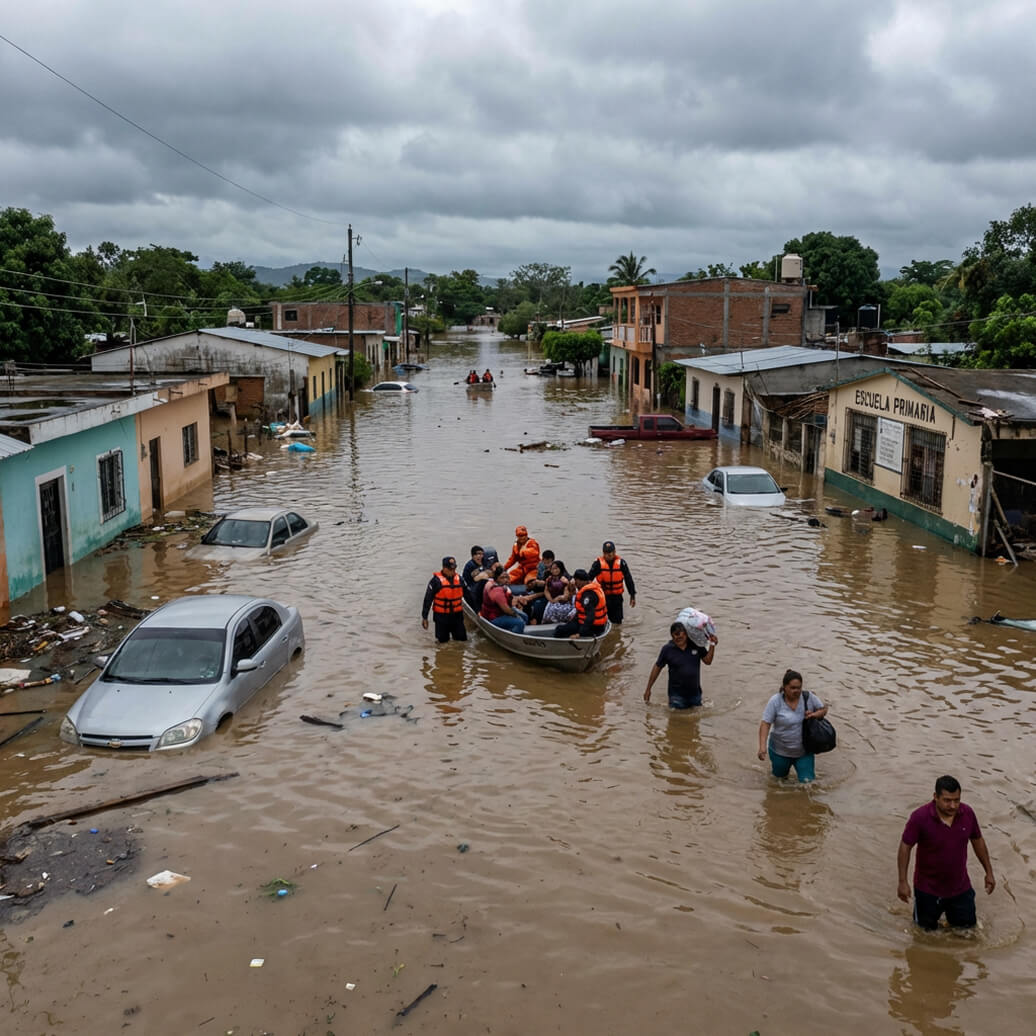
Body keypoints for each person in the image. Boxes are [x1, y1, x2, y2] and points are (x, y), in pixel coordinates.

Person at [897, 775, 996, 931]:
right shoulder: (920, 817)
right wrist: (903, 882)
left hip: (960, 889)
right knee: (924, 936)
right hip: (927, 890)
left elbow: (978, 841)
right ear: (935, 797)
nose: (953, 806)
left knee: (968, 934)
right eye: (947, 800)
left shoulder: (968, 813)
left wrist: (989, 872)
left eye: (957, 800)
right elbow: (905, 846)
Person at [757, 669, 825, 782]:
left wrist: (814, 715)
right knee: (778, 782)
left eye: (799, 688)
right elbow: (765, 724)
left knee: (808, 784)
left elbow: (823, 709)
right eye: (793, 688)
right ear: (784, 687)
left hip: (804, 751)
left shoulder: (808, 697)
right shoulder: (775, 701)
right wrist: (762, 747)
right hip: (780, 751)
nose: (796, 691)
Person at [644, 622, 717, 709]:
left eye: (681, 637)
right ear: (672, 637)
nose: (678, 640)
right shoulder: (667, 649)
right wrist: (648, 689)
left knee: (694, 721)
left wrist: (712, 645)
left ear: (686, 634)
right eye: (675, 638)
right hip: (676, 696)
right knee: (676, 720)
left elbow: (708, 661)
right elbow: (657, 667)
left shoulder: (696, 645)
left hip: (695, 694)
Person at [588, 541, 637, 625]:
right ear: (603, 553)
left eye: (610, 552)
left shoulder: (622, 563)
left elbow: (628, 579)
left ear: (614, 552)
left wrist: (632, 595)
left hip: (617, 597)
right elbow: (589, 579)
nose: (609, 555)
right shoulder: (598, 564)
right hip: (603, 596)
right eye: (606, 553)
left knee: (617, 622)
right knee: (603, 620)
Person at [421, 556, 467, 643]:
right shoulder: (435, 581)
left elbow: (469, 595)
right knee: (442, 642)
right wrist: (425, 617)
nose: (453, 571)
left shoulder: (460, 579)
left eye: (454, 569)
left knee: (462, 641)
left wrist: (477, 610)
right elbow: (428, 599)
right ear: (444, 568)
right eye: (450, 569)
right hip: (441, 617)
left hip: (457, 616)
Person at [553, 569, 608, 639]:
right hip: (598, 625)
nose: (575, 583)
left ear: (580, 580)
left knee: (559, 630)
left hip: (593, 627)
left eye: (576, 580)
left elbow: (590, 616)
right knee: (568, 624)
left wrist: (579, 634)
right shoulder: (594, 587)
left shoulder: (587, 595)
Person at [480, 566, 528, 633]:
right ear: (496, 578)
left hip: (500, 611)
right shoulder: (496, 591)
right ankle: (514, 637)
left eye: (507, 577)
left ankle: (521, 631)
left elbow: (508, 598)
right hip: (493, 617)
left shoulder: (498, 584)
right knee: (520, 622)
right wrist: (517, 616)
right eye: (502, 578)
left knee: (525, 616)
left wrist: (517, 600)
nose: (506, 580)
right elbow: (507, 610)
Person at [541, 560, 576, 624]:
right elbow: (546, 591)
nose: (554, 570)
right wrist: (551, 600)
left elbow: (566, 596)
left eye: (556, 568)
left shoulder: (565, 579)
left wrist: (557, 598)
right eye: (552, 569)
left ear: (560, 568)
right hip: (553, 600)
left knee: (555, 609)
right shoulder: (549, 579)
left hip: (565, 602)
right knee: (548, 611)